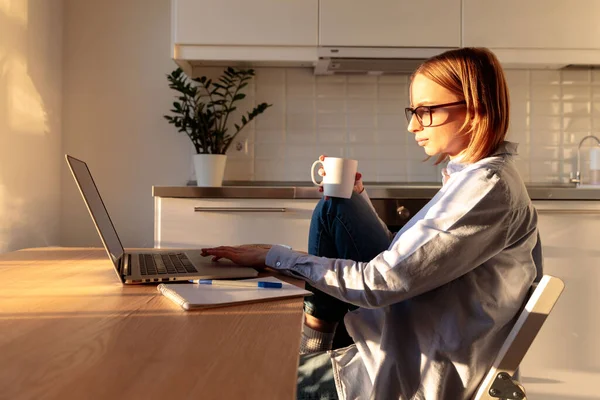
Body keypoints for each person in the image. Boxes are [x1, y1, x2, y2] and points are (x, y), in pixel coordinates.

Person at [201, 47, 543, 400]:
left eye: (425, 112)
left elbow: (382, 281)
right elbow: (410, 260)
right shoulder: (472, 178)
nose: (413, 125)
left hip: (413, 366)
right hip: (405, 328)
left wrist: (276, 256)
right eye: (413, 111)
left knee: (238, 379)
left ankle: (315, 346)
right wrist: (357, 197)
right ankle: (317, 342)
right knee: (335, 206)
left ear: (473, 108)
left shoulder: (486, 188)